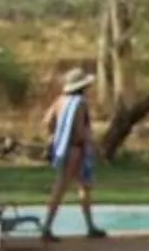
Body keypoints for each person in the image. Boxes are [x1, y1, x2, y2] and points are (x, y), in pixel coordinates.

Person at [40, 67, 108, 241]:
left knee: (78, 186)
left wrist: (54, 136)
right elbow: (80, 130)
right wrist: (93, 144)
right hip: (76, 149)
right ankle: (47, 228)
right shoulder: (80, 103)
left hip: (63, 149)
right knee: (70, 186)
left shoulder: (59, 101)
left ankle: (88, 226)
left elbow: (47, 121)